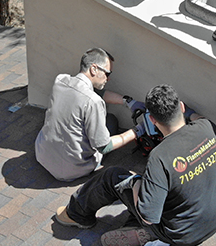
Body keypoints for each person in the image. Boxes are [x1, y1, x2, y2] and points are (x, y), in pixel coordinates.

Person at [54, 84, 216, 246]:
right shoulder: (207, 127)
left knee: (113, 176)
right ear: (180, 106)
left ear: (152, 120)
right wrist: (189, 113)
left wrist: (136, 182)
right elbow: (198, 118)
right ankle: (135, 227)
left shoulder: (160, 156)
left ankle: (75, 214)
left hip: (178, 233)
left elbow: (148, 216)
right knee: (164, 186)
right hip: (214, 220)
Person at [35, 47, 144, 181]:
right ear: (94, 69)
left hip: (42, 155)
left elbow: (92, 92)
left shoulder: (60, 80)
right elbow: (104, 147)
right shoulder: (93, 102)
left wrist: (128, 101)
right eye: (108, 74)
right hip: (72, 168)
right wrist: (137, 131)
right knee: (111, 121)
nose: (108, 79)